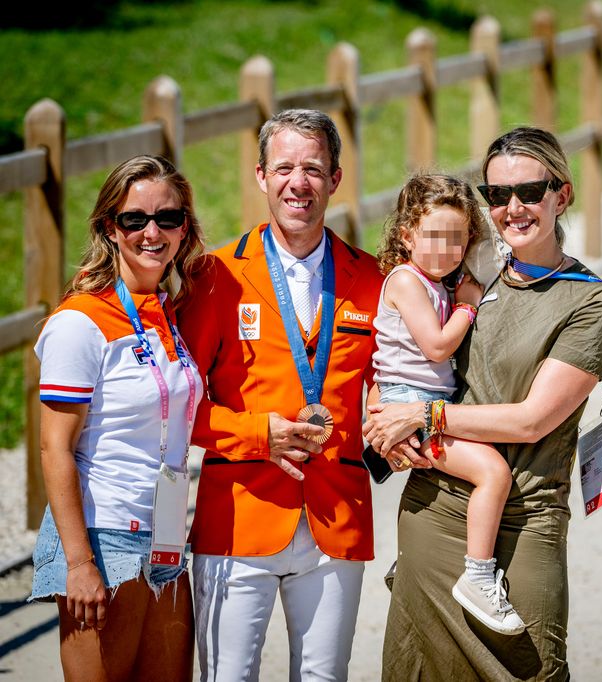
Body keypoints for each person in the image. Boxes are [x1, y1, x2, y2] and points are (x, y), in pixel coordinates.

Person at [363, 126, 602, 680]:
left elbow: (531, 422)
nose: (513, 207)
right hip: (434, 501)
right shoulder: (468, 273)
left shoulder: (591, 300)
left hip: (525, 514)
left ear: (563, 194)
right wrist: (380, 411)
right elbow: (403, 353)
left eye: (529, 191)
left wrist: (425, 416)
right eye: (497, 195)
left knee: (531, 668)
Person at [177, 109, 384, 681]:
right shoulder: (213, 276)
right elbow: (173, 408)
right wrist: (256, 433)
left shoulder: (373, 277)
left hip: (336, 520)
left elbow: (395, 385)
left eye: (314, 168)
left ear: (336, 179)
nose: (300, 182)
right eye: (286, 167)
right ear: (261, 176)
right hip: (239, 517)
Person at [30, 155, 205, 680]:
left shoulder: (167, 312)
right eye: (135, 220)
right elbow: (53, 449)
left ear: (184, 228)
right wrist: (80, 565)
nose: (152, 233)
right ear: (110, 228)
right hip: (104, 538)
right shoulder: (80, 322)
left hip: (167, 534)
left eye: (168, 218)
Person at [372, 173, 525, 634]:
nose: (444, 249)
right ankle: (477, 577)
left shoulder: (434, 281)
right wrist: (469, 306)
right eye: (433, 236)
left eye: (456, 240)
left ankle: (418, 563)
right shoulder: (405, 281)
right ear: (406, 235)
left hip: (426, 401)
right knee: (493, 472)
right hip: (410, 406)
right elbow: (437, 347)